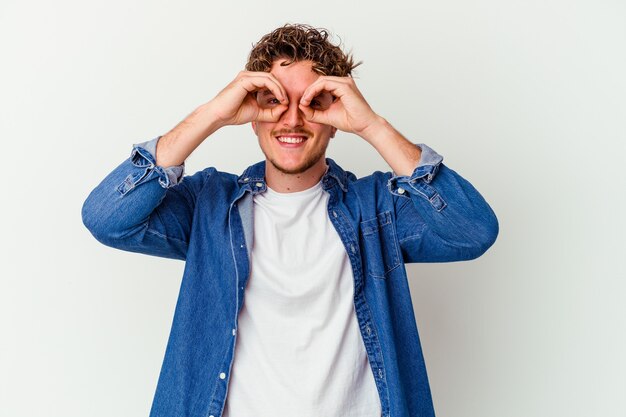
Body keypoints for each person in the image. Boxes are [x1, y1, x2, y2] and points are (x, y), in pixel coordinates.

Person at [82, 24, 498, 417]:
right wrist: (212, 114)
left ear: (337, 117)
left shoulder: (377, 209)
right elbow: (106, 218)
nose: (293, 119)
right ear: (251, 113)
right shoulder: (210, 205)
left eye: (314, 102)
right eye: (274, 101)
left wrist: (372, 126)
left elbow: (474, 230)